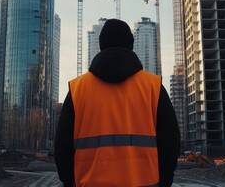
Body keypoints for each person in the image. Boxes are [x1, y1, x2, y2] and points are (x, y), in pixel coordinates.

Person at [54, 18, 180, 187]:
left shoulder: (78, 90)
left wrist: (69, 182)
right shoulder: (153, 87)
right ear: (131, 44)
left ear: (100, 45)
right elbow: (170, 143)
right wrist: (164, 181)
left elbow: (62, 148)